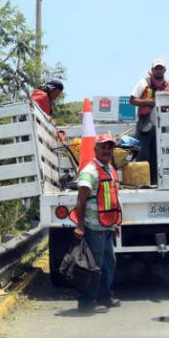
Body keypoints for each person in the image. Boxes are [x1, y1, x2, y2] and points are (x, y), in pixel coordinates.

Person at [73, 132, 123, 312]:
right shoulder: (90, 171)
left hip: (107, 226)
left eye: (110, 147)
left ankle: (105, 296)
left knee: (109, 262)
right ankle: (86, 302)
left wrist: (115, 224)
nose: (107, 150)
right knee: (94, 265)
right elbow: (81, 200)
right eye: (103, 146)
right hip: (94, 227)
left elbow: (111, 198)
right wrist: (80, 226)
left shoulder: (109, 169)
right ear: (95, 148)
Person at [130, 58, 169, 185]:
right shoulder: (143, 83)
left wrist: (166, 105)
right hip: (145, 125)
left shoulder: (168, 85)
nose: (159, 71)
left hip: (162, 126)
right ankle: (141, 183)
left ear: (164, 70)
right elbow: (132, 100)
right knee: (142, 154)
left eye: (161, 68)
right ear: (152, 70)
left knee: (158, 156)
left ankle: (155, 183)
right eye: (157, 68)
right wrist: (152, 102)